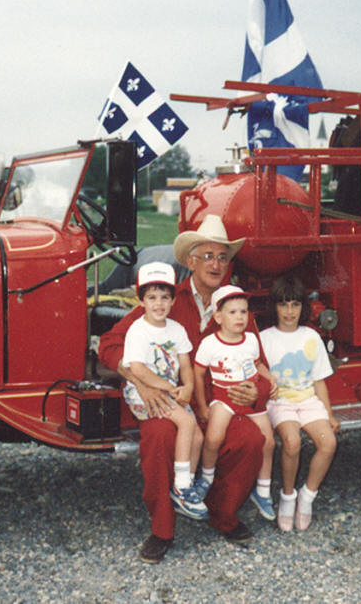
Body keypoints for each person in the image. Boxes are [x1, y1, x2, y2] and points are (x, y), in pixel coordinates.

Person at [98, 214, 266, 564]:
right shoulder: (167, 299)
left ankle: (222, 514)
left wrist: (257, 392)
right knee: (159, 437)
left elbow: (259, 362)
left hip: (220, 402)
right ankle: (162, 529)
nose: (215, 264)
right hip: (169, 400)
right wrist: (139, 379)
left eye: (222, 257)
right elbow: (111, 344)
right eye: (206, 256)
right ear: (190, 261)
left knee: (251, 440)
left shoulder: (236, 306)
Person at [121, 261, 206, 520]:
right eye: (152, 297)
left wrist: (188, 387)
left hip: (169, 391)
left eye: (165, 297)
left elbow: (185, 363)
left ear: (172, 301)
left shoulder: (176, 329)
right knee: (186, 423)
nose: (159, 304)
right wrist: (171, 387)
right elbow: (137, 369)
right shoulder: (138, 330)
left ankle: (184, 486)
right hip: (144, 394)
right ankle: (181, 486)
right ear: (142, 301)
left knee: (199, 438)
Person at [259, 276, 339, 531]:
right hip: (280, 402)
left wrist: (329, 413)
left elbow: (319, 381)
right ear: (275, 308)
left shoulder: (311, 336)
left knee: (328, 444)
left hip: (308, 400)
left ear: (303, 307)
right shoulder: (264, 338)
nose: (290, 311)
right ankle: (288, 495)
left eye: (295, 305)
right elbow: (258, 370)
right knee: (291, 443)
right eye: (284, 305)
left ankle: (307, 496)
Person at [193, 285, 277, 523]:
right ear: (218, 317)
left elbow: (258, 363)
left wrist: (270, 378)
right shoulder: (210, 344)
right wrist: (202, 405)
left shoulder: (250, 339)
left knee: (268, 442)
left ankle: (262, 490)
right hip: (224, 397)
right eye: (232, 312)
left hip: (250, 400)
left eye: (243, 311)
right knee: (213, 438)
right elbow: (199, 373)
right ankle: (206, 478)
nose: (240, 317)